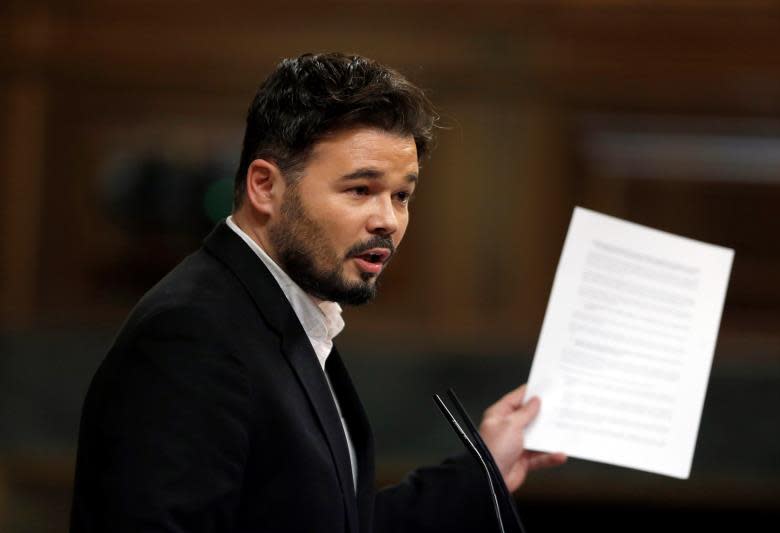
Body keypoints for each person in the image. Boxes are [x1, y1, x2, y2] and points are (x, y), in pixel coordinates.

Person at [70, 52, 566, 533]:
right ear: (265, 186)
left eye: (402, 195)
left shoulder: (282, 312)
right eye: (359, 190)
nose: (388, 221)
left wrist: (483, 470)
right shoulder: (191, 335)